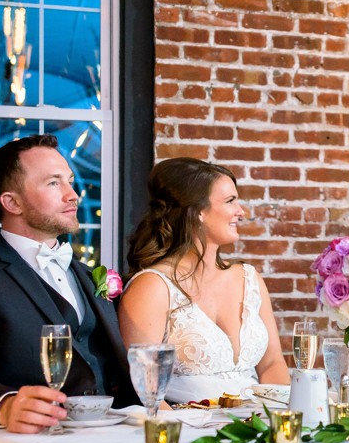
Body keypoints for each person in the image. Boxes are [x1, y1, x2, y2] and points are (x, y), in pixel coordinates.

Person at [0, 134, 138, 435]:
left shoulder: (88, 275)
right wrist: (7, 406)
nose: (73, 195)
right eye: (53, 183)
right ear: (12, 202)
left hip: (119, 433)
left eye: (69, 181)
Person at [117, 158, 288, 402]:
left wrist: (280, 415)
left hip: (256, 420)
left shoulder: (249, 278)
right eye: (230, 201)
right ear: (198, 212)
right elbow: (145, 389)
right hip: (183, 423)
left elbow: (272, 363)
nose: (240, 211)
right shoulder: (153, 287)